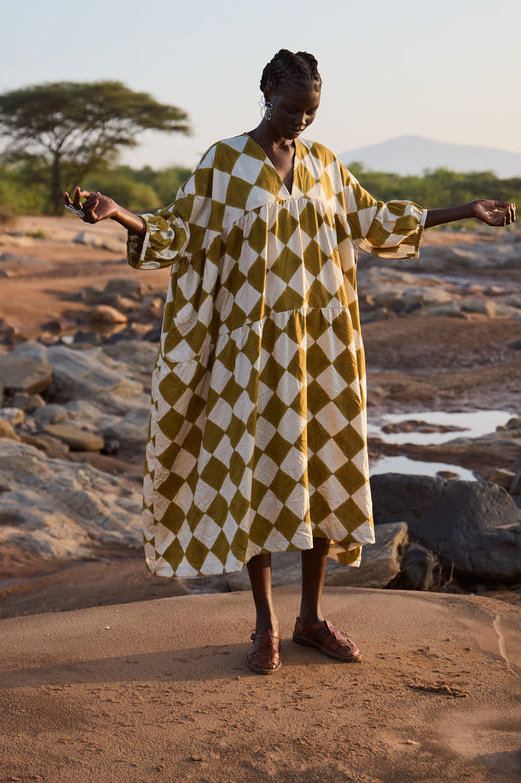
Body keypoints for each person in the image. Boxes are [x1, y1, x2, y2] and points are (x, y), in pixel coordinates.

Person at [65, 49, 516, 675]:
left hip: (321, 346)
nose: (301, 122)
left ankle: (311, 617)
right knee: (258, 478)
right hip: (250, 354)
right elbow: (179, 232)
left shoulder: (325, 165)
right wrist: (119, 215)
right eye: (291, 109)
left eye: (311, 112)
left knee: (322, 471)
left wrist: (465, 211)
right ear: (266, 96)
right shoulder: (224, 163)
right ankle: (264, 626)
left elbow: (375, 218)